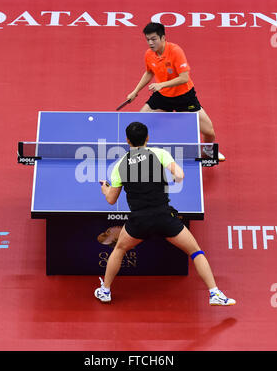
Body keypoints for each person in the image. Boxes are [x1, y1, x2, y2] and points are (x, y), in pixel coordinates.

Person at [94, 122, 235, 306]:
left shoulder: (120, 166)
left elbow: (111, 200)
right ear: (147, 138)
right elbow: (180, 175)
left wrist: (106, 189)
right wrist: (174, 178)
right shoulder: (159, 154)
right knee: (196, 252)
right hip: (164, 217)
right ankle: (214, 293)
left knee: (119, 249)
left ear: (127, 141)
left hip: (139, 221)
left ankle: (105, 291)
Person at [126, 22, 225, 161]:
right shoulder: (149, 54)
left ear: (163, 38)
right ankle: (141, 155)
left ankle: (208, 151)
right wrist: (135, 91)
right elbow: (149, 72)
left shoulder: (175, 51)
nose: (150, 43)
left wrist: (162, 85)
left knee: (209, 132)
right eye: (147, 39)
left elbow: (184, 78)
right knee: (140, 124)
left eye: (153, 39)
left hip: (184, 96)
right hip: (163, 97)